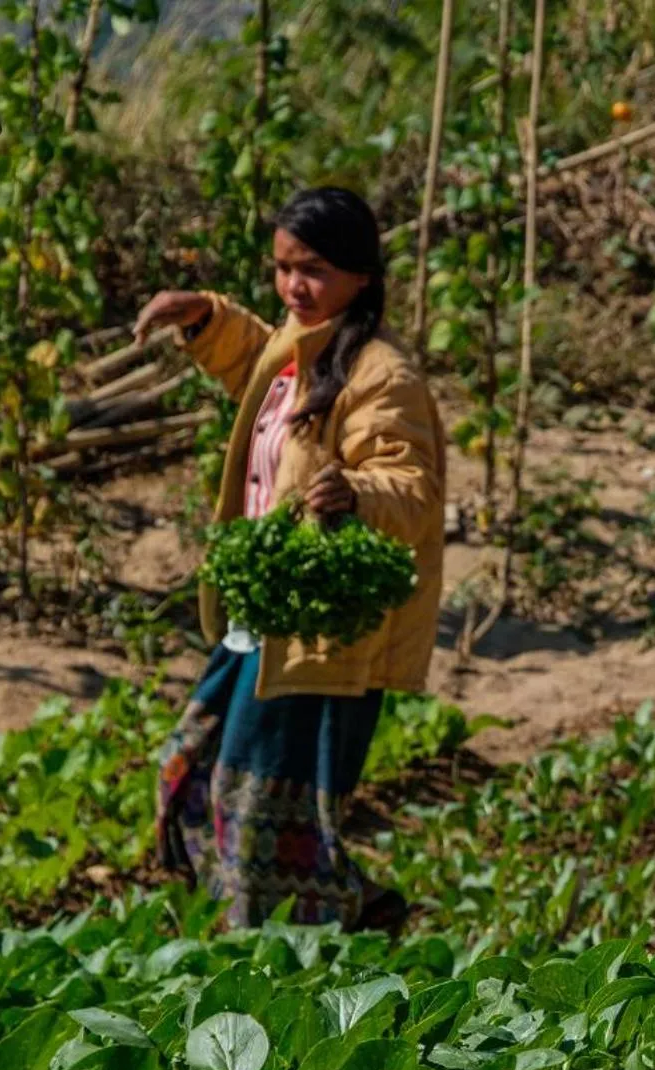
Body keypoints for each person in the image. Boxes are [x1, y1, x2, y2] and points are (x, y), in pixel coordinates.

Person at [135, 187, 445, 933]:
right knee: (188, 772)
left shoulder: (380, 374)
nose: (291, 287)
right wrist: (202, 317)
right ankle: (345, 913)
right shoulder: (300, 344)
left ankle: (284, 951)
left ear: (360, 276)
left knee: (257, 807)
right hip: (263, 620)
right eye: (280, 269)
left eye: (310, 271)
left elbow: (411, 486)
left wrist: (355, 493)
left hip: (322, 638)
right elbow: (253, 359)